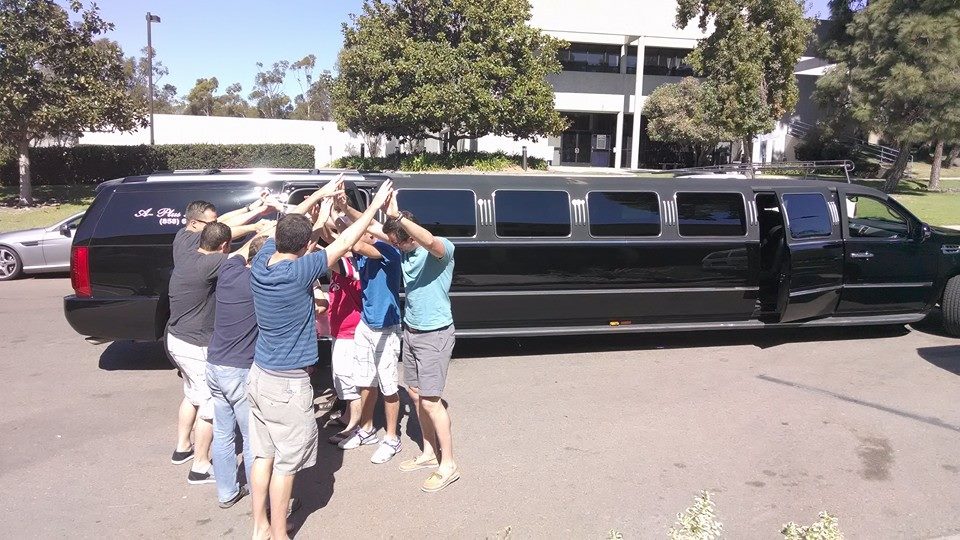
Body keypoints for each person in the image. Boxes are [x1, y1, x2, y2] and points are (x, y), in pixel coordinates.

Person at [247, 176, 393, 540]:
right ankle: (279, 533)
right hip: (287, 384)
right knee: (285, 465)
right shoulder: (301, 270)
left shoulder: (263, 260)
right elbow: (345, 241)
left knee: (262, 456)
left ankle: (259, 525)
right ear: (305, 245)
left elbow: (292, 223)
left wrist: (320, 197)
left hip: (259, 376)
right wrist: (374, 207)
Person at [167, 199, 273, 484]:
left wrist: (254, 209)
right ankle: (200, 466)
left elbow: (222, 224)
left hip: (176, 338)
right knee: (210, 407)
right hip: (196, 343)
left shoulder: (184, 240)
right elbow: (240, 252)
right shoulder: (214, 264)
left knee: (192, 393)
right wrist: (261, 226)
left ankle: (182, 448)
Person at [382, 193, 460, 492]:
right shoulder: (404, 248)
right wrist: (344, 209)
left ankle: (449, 464)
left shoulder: (440, 249)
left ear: (407, 236)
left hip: (435, 333)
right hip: (412, 331)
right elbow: (379, 232)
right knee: (415, 396)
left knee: (431, 401)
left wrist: (398, 218)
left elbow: (428, 241)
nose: (393, 247)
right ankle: (429, 453)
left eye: (396, 242)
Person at [205, 230, 271, 509]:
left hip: (214, 364)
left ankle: (227, 492)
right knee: (252, 436)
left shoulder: (229, 272)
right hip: (240, 369)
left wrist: (259, 236)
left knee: (222, 432)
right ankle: (262, 502)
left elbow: (237, 254)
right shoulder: (260, 283)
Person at [335, 200, 404, 465]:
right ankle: (366, 430)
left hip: (386, 327)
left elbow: (350, 240)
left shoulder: (387, 251)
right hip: (366, 325)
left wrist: (345, 220)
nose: (356, 230)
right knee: (364, 381)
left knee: (388, 386)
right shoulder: (362, 252)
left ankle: (392, 438)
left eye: (361, 228)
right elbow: (341, 235)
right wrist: (339, 207)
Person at [320, 216, 364, 444]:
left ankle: (355, 429)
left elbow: (330, 252)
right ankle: (348, 416)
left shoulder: (351, 267)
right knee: (340, 378)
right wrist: (325, 216)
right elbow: (331, 241)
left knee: (348, 380)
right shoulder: (344, 265)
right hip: (341, 332)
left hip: (350, 333)